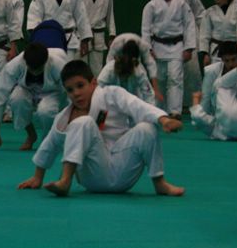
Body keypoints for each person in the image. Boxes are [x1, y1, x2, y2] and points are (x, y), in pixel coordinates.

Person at [17, 60, 184, 197]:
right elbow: (50, 145)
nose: (76, 93)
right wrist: (37, 177)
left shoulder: (112, 95)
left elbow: (138, 106)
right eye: (70, 90)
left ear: (93, 83)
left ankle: (160, 183)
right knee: (83, 122)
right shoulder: (64, 117)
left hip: (123, 168)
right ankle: (65, 181)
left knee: (147, 128)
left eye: (80, 85)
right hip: (92, 176)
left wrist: (163, 120)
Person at [0, 42, 68, 151]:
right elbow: (0, 93)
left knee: (46, 111)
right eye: (32, 68)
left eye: (38, 69)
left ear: (46, 62)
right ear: (25, 62)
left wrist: (66, 115)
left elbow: (67, 93)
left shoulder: (58, 65)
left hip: (52, 92)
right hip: (27, 89)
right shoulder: (15, 65)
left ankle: (48, 140)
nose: (35, 72)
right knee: (16, 98)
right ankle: (31, 134)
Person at [141, 0, 197, 119]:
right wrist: (148, 49)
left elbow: (189, 25)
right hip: (157, 46)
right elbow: (145, 29)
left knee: (175, 79)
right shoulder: (151, 5)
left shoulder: (182, 5)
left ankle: (175, 111)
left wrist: (189, 48)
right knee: (159, 79)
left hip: (177, 46)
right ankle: (159, 111)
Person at [26, 0, 92, 61]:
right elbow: (34, 16)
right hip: (48, 38)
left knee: (67, 68)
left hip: (68, 39)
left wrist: (85, 40)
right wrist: (36, 37)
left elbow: (82, 17)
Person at [79, 0, 116, 77]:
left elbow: (110, 17)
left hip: (98, 36)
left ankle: (96, 88)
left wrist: (112, 35)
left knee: (97, 70)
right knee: (81, 69)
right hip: (83, 37)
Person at [106, 32, 162, 102]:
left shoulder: (143, 46)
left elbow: (151, 64)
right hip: (119, 65)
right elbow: (109, 62)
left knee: (140, 86)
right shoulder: (117, 44)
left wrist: (156, 89)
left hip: (136, 66)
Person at [97, 38, 155, 104]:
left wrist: (149, 109)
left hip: (132, 102)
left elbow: (149, 94)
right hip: (112, 102)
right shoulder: (109, 70)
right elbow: (98, 91)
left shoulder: (139, 72)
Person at [198, 0, 237, 65]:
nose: (216, 0)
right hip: (216, 50)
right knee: (216, 71)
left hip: (234, 49)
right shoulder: (210, 12)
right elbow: (204, 34)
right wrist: (205, 53)